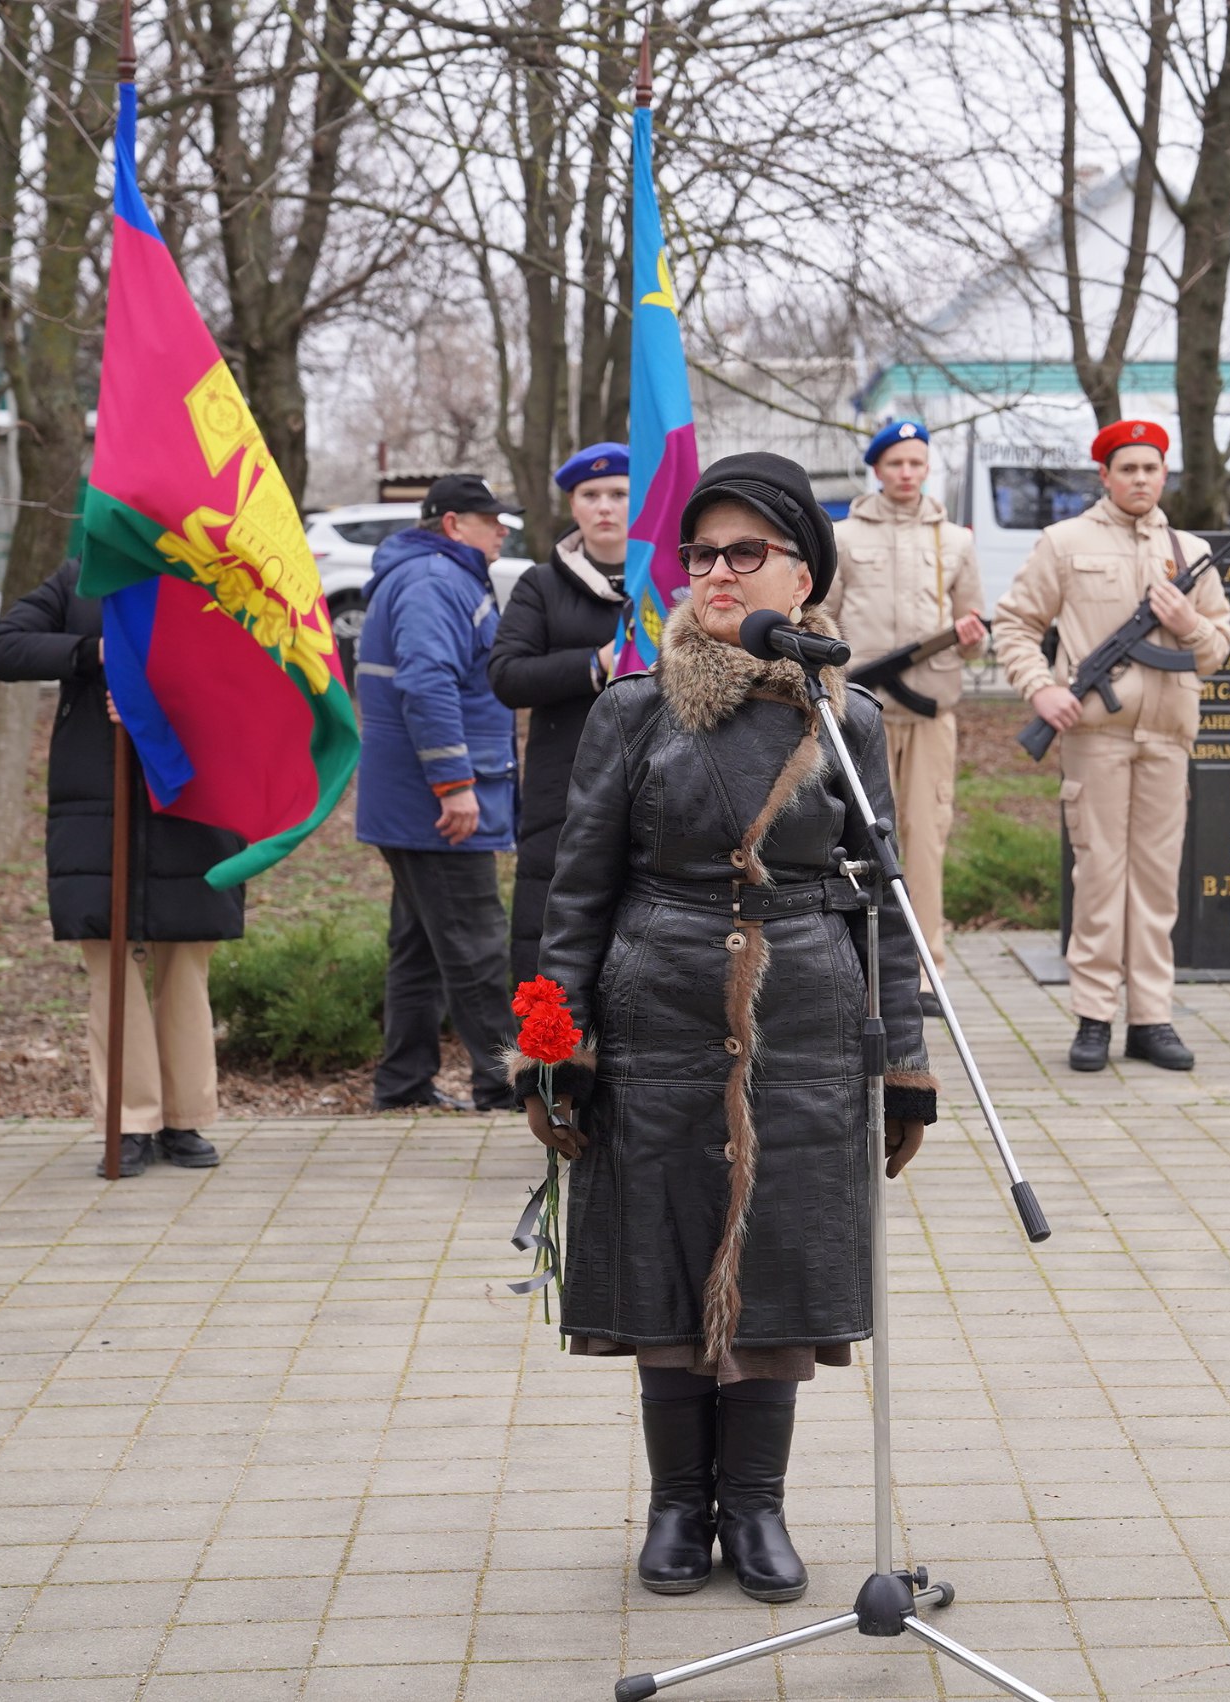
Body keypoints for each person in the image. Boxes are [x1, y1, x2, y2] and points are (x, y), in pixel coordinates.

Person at [517, 450, 934, 1605]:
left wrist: (902, 1056)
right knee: (663, 1242)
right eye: (699, 553)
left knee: (779, 1253)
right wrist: (558, 1044)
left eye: (744, 553)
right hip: (657, 998)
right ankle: (673, 1508)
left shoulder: (845, 715)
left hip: (803, 1009)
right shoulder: (635, 710)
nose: (714, 571)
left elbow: (886, 902)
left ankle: (754, 1504)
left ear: (801, 577)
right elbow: (577, 885)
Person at [0, 559, 240, 1174]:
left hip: (192, 800)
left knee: (185, 966)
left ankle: (184, 1118)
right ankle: (131, 1120)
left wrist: (160, 703)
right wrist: (99, 653)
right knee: (110, 965)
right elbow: (5, 649)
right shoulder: (79, 579)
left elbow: (250, 674)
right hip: (98, 804)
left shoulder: (214, 578)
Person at [989, 420, 1230, 1073]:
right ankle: (1094, 1017)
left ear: (1164, 474)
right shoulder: (1064, 543)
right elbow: (1014, 623)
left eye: (1151, 469)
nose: (1141, 480)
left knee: (1157, 882)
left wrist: (1188, 625)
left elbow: (1219, 650)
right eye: (1128, 469)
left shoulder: (1188, 551)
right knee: (1099, 877)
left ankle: (1151, 1018)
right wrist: (1040, 690)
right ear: (1105, 475)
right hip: (1095, 736)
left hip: (1168, 736)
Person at [355, 474, 523, 1112]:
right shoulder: (434, 581)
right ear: (453, 524)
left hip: (413, 801)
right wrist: (455, 786)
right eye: (492, 519)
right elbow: (426, 685)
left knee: (420, 945)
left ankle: (402, 1084)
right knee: (476, 943)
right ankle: (504, 1089)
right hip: (437, 805)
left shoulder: (432, 575)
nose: (503, 528)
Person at [826, 419, 984, 982]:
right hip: (860, 713)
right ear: (877, 469)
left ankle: (922, 971)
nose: (907, 473)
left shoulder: (955, 541)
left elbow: (973, 634)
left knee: (924, 839)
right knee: (856, 839)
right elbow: (823, 619)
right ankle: (859, 967)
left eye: (916, 463)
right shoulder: (843, 537)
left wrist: (973, 638)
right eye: (896, 463)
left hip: (929, 712)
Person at [490, 442, 628, 986]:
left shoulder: (674, 584)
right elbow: (507, 675)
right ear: (573, 506)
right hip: (563, 786)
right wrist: (595, 665)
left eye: (618, 493)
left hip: (661, 781)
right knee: (550, 939)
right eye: (590, 495)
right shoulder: (540, 586)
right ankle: (549, 1067)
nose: (604, 507)